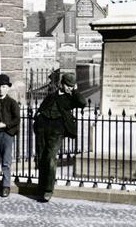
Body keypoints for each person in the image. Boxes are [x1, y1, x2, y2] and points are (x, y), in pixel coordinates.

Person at [33, 72, 85, 202]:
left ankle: (48, 190)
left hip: (57, 130)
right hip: (43, 128)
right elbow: (41, 109)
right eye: (67, 85)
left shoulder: (71, 98)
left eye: (71, 86)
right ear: (61, 84)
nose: (69, 88)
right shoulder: (51, 96)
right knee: (41, 157)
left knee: (50, 158)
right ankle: (41, 187)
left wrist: (75, 91)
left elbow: (82, 102)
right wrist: (38, 118)